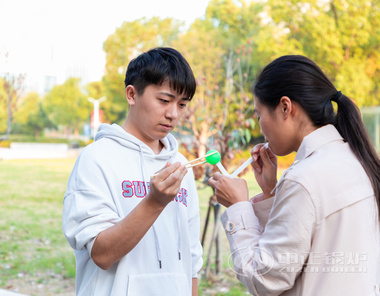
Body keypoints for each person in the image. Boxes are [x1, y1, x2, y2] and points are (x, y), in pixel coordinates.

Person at [208, 55, 380, 295]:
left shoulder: (303, 178)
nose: (260, 127)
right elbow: (308, 240)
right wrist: (271, 192)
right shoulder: (356, 158)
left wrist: (238, 207)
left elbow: (265, 278)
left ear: (285, 107)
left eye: (259, 115)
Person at [62, 47, 203, 296]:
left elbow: (191, 257)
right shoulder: (96, 159)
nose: (173, 114)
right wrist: (154, 202)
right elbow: (102, 254)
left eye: (182, 104)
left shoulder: (181, 165)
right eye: (164, 100)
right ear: (131, 94)